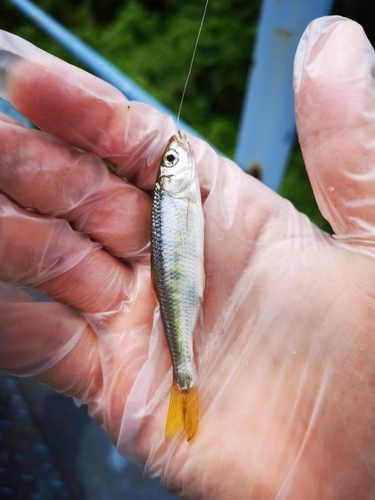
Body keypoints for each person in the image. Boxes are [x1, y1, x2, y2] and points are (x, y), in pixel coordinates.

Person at [0, 15, 373, 499]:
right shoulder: (176, 193)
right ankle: (186, 383)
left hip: (184, 284)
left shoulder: (176, 195)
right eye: (171, 162)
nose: (174, 158)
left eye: (171, 162)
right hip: (184, 287)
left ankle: (185, 384)